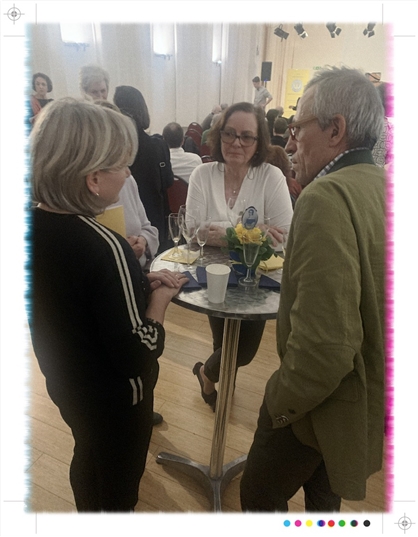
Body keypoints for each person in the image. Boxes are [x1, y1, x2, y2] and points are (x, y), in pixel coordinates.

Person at [29, 98, 188, 511]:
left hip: (67, 387)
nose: (129, 173)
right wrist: (159, 299)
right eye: (122, 165)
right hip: (118, 402)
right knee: (118, 483)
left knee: (86, 453)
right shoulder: (106, 245)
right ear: (94, 178)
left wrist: (132, 285)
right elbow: (138, 352)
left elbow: (72, 304)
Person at [240, 66, 385, 512]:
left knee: (258, 498)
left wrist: (278, 403)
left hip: (317, 404)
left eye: (297, 128)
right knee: (323, 503)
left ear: (335, 130)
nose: (290, 142)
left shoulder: (326, 197)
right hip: (359, 400)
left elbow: (326, 345)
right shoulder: (384, 185)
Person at [186, 101, 293, 411]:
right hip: (212, 273)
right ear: (219, 134)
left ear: (259, 142)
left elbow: (284, 236)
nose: (236, 142)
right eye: (229, 133)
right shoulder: (202, 174)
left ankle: (206, 373)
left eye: (247, 136)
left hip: (256, 277)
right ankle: (221, 388)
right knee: (222, 342)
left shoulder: (271, 176)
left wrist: (223, 233)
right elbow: (192, 231)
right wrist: (255, 232)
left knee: (243, 351)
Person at [94, 100, 159, 271]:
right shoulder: (79, 200)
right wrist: (123, 252)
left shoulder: (127, 181)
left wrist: (143, 242)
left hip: (140, 271)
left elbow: (149, 229)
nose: (127, 171)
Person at [113, 85, 174, 253]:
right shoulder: (158, 146)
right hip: (155, 216)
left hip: (132, 223)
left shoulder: (116, 151)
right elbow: (168, 181)